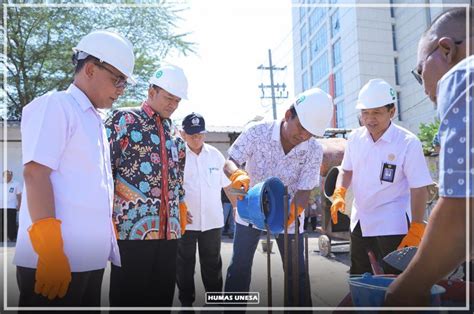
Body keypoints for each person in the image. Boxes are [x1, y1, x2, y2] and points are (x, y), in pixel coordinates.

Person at [13, 30, 135, 306]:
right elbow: (35, 173)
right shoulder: (57, 105)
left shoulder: (93, 119)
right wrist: (50, 251)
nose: (121, 89)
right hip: (55, 260)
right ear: (90, 69)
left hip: (86, 260)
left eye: (124, 84)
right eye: (117, 80)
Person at [385, 7, 473, 306]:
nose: (423, 87)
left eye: (420, 71)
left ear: (446, 49)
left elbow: (462, 217)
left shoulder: (463, 76)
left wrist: (405, 290)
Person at [223, 87, 334, 306]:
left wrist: (290, 216)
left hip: (289, 211)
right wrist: (236, 175)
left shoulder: (313, 149)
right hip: (250, 209)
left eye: (310, 133)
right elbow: (230, 160)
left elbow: (304, 191)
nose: (303, 136)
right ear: (288, 115)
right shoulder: (257, 132)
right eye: (301, 127)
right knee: (239, 267)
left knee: (297, 273)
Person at [105, 64, 189, 307]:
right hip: (131, 229)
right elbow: (104, 169)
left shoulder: (174, 132)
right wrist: (104, 213)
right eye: (168, 98)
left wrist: (180, 205)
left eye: (177, 100)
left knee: (162, 299)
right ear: (151, 91)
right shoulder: (124, 119)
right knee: (128, 300)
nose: (173, 105)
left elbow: (177, 176)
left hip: (169, 231)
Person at [330, 78, 433, 275]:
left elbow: (419, 187)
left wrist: (417, 226)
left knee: (393, 278)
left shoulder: (407, 142)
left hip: (392, 223)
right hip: (360, 219)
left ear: (392, 112)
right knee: (359, 274)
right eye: (365, 113)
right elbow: (346, 169)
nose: (370, 119)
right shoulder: (354, 138)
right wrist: (339, 193)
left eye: (376, 112)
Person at [176, 112, 231, 307]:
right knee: (184, 265)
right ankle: (186, 303)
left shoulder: (215, 155)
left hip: (212, 221)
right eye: (192, 135)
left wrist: (239, 210)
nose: (197, 139)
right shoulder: (177, 156)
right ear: (183, 134)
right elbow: (170, 188)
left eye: (200, 134)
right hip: (186, 222)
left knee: (212, 264)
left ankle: (215, 302)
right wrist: (178, 208)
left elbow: (227, 186)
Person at [0, 170, 22, 242]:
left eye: (9, 175)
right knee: (1, 223)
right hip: (1, 207)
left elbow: (19, 196)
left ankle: (11, 238)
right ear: (3, 176)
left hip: (11, 207)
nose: (8, 176)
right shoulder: (1, 185)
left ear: (12, 176)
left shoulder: (16, 184)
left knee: (11, 223)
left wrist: (19, 205)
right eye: (6, 175)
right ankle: (2, 238)